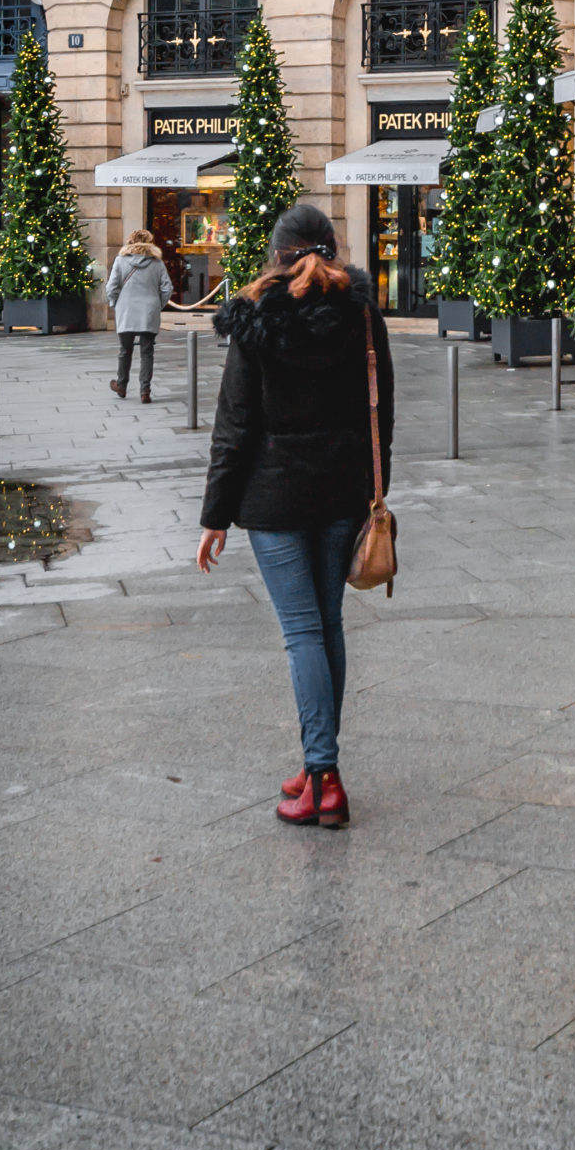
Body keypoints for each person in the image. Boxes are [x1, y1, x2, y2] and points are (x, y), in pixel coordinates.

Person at [196, 203, 393, 829]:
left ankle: (325, 776)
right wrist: (370, 488)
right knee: (326, 626)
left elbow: (235, 427)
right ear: (332, 248)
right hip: (341, 493)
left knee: (302, 632)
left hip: (276, 499)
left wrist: (215, 516)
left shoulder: (256, 316)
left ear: (277, 254)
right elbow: (380, 412)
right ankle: (316, 765)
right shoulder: (362, 315)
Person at [106, 226, 173, 402]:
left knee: (125, 350)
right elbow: (167, 288)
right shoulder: (157, 263)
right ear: (149, 243)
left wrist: (115, 303)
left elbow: (111, 287)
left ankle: (121, 385)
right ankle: (145, 391)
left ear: (130, 242)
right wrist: (158, 304)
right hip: (149, 310)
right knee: (147, 351)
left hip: (126, 310)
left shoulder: (121, 261)